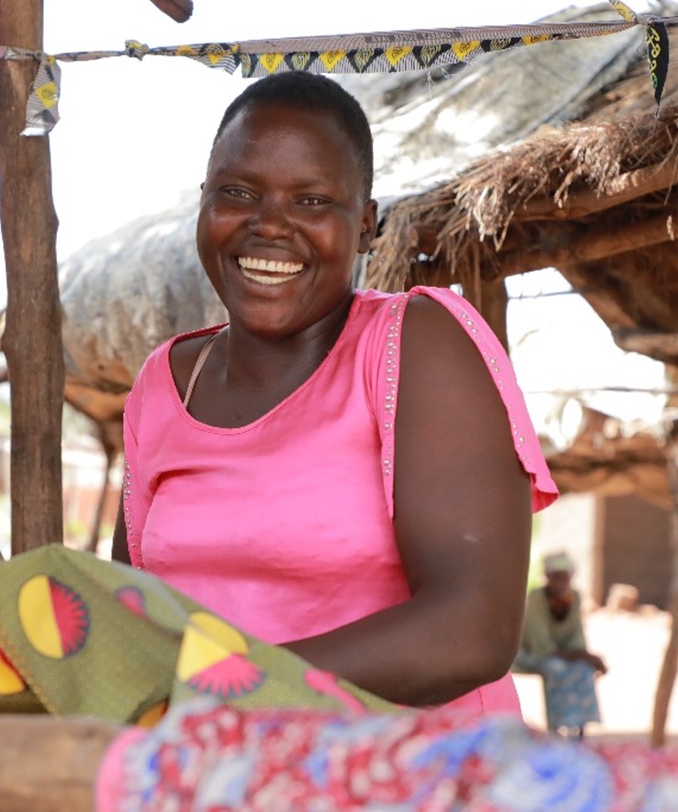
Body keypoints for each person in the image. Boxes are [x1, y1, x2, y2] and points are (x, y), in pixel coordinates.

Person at [111, 70, 558, 714]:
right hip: (211, 782)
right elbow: (127, 611)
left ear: (368, 226)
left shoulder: (416, 345)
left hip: (410, 782)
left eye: (312, 201)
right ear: (204, 205)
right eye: (238, 192)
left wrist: (223, 692)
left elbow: (472, 631)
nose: (269, 226)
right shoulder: (165, 382)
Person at [513, 550, 607, 738]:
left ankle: (580, 725)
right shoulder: (536, 598)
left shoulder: (575, 597)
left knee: (583, 669)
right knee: (556, 669)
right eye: (556, 577)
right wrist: (582, 655)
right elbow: (541, 645)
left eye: (564, 577)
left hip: (563, 653)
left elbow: (577, 636)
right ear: (548, 577)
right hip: (530, 654)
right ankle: (556, 727)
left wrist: (584, 657)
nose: (560, 582)